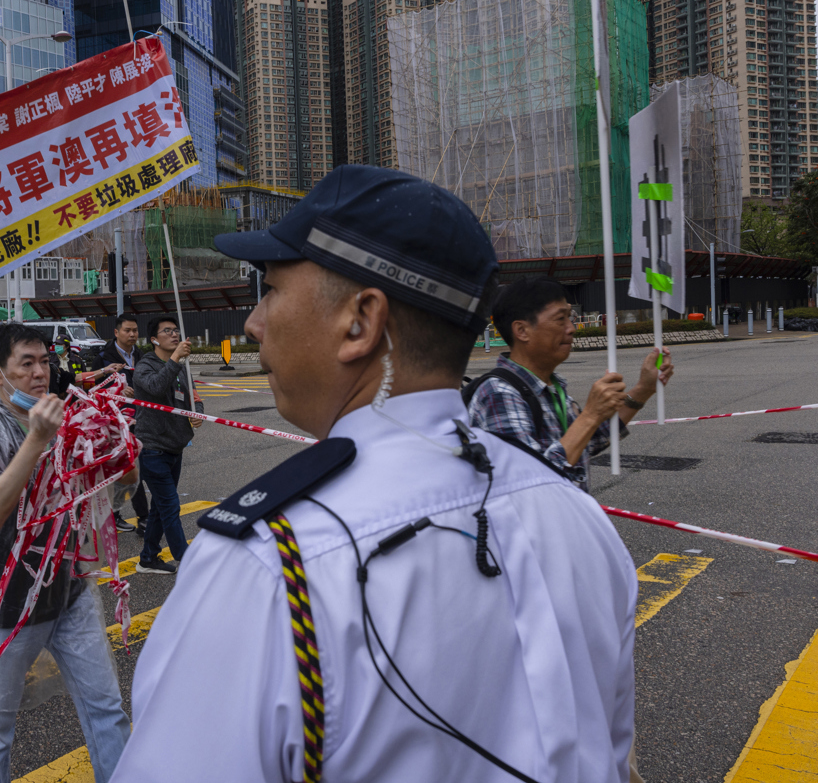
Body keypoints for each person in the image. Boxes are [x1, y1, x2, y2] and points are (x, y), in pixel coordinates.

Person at [110, 166, 637, 782]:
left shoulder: (270, 569)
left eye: (273, 290)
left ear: (360, 321)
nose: (253, 323)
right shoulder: (578, 517)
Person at [0, 321, 132, 783]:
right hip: (5, 606)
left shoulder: (66, 421)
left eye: (45, 361)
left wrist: (119, 448)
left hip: (68, 591)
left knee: (107, 707)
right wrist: (37, 439)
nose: (40, 373)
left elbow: (113, 490)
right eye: (27, 364)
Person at [466, 277, 676, 492]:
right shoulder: (499, 394)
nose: (572, 328)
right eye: (560, 319)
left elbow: (587, 441)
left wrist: (643, 389)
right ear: (522, 331)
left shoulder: (550, 387)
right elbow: (528, 485)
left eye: (570, 317)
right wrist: (590, 415)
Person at [130, 316, 203, 575]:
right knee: (170, 504)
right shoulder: (145, 366)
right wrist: (174, 360)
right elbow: (156, 387)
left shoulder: (182, 367)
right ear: (154, 339)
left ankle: (148, 557)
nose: (174, 335)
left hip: (175, 447)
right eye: (167, 331)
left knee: (161, 507)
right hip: (152, 448)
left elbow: (193, 397)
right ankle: (186, 559)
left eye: (176, 330)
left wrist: (198, 413)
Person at [99, 314, 150, 534]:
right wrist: (116, 391)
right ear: (116, 332)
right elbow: (94, 390)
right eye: (127, 330)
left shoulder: (142, 356)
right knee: (121, 469)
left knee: (137, 468)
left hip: (140, 419)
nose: (132, 335)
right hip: (114, 422)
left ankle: (142, 518)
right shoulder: (103, 357)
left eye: (135, 330)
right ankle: (119, 514)